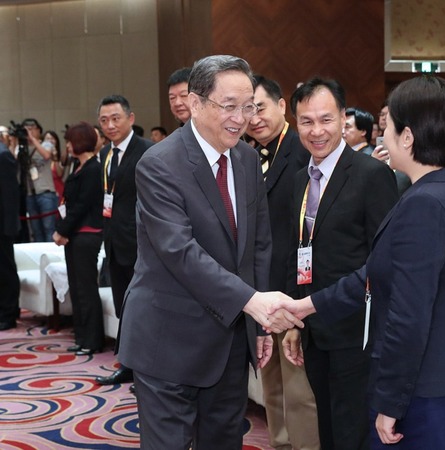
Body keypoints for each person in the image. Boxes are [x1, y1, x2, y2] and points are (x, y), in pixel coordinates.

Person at [279, 75, 445, 450]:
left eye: (387, 126)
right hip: (440, 388)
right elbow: (378, 272)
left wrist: (390, 401)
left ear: (407, 137)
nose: (382, 135)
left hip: (425, 396)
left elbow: (408, 315)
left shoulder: (424, 204)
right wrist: (306, 306)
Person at [116, 55, 301, 449]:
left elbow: (258, 246)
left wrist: (257, 326)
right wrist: (252, 302)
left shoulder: (247, 159)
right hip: (168, 340)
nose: (241, 118)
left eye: (248, 106)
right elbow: (178, 251)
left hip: (229, 341)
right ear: (196, 103)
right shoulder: (159, 163)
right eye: (229, 106)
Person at [284, 77, 399, 450]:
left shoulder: (371, 175)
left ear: (343, 118)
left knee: (353, 430)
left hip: (357, 330)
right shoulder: (301, 179)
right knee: (327, 426)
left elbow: (384, 260)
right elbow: (301, 250)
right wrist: (296, 323)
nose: (316, 131)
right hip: (314, 327)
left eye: (326, 119)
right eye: (306, 121)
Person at [245, 75, 319, 450]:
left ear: (280, 105)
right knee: (269, 382)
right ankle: (280, 444)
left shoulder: (303, 151)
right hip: (258, 290)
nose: (254, 118)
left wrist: (297, 295)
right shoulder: (244, 154)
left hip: (293, 288)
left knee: (298, 388)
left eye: (260, 107)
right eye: (247, 110)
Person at [94, 95, 154, 388]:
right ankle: (128, 366)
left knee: (145, 311)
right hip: (114, 244)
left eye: (115, 118)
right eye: (104, 120)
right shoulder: (106, 152)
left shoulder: (148, 151)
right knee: (123, 309)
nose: (110, 125)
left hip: (141, 246)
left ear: (130, 118)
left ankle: (148, 372)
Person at [52, 122, 104, 355]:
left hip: (86, 234)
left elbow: (82, 205)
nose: (67, 146)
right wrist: (64, 230)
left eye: (70, 141)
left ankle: (92, 339)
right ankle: (82, 337)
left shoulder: (93, 168)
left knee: (85, 288)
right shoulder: (79, 167)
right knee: (76, 288)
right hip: (74, 234)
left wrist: (62, 230)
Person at [23, 118, 58, 242]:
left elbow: (46, 155)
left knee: (49, 229)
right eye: (27, 130)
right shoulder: (22, 148)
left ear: (39, 130)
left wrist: (33, 139)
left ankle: (50, 253)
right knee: (36, 230)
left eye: (32, 129)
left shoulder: (46, 144)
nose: (29, 132)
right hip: (30, 194)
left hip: (45, 193)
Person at [0, 127, 20, 331]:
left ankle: (9, 313)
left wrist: (10, 226)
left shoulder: (3, 154)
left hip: (3, 226)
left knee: (5, 269)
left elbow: (10, 194)